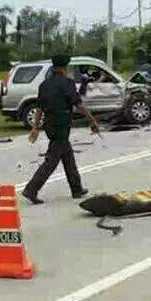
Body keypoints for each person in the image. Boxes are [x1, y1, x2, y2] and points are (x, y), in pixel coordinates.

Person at [22, 54, 101, 205]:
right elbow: (79, 105)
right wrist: (93, 121)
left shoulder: (44, 85)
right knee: (51, 161)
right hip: (62, 125)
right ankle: (31, 189)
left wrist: (35, 127)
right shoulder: (67, 83)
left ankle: (77, 189)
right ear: (65, 67)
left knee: (67, 156)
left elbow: (39, 108)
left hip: (50, 124)